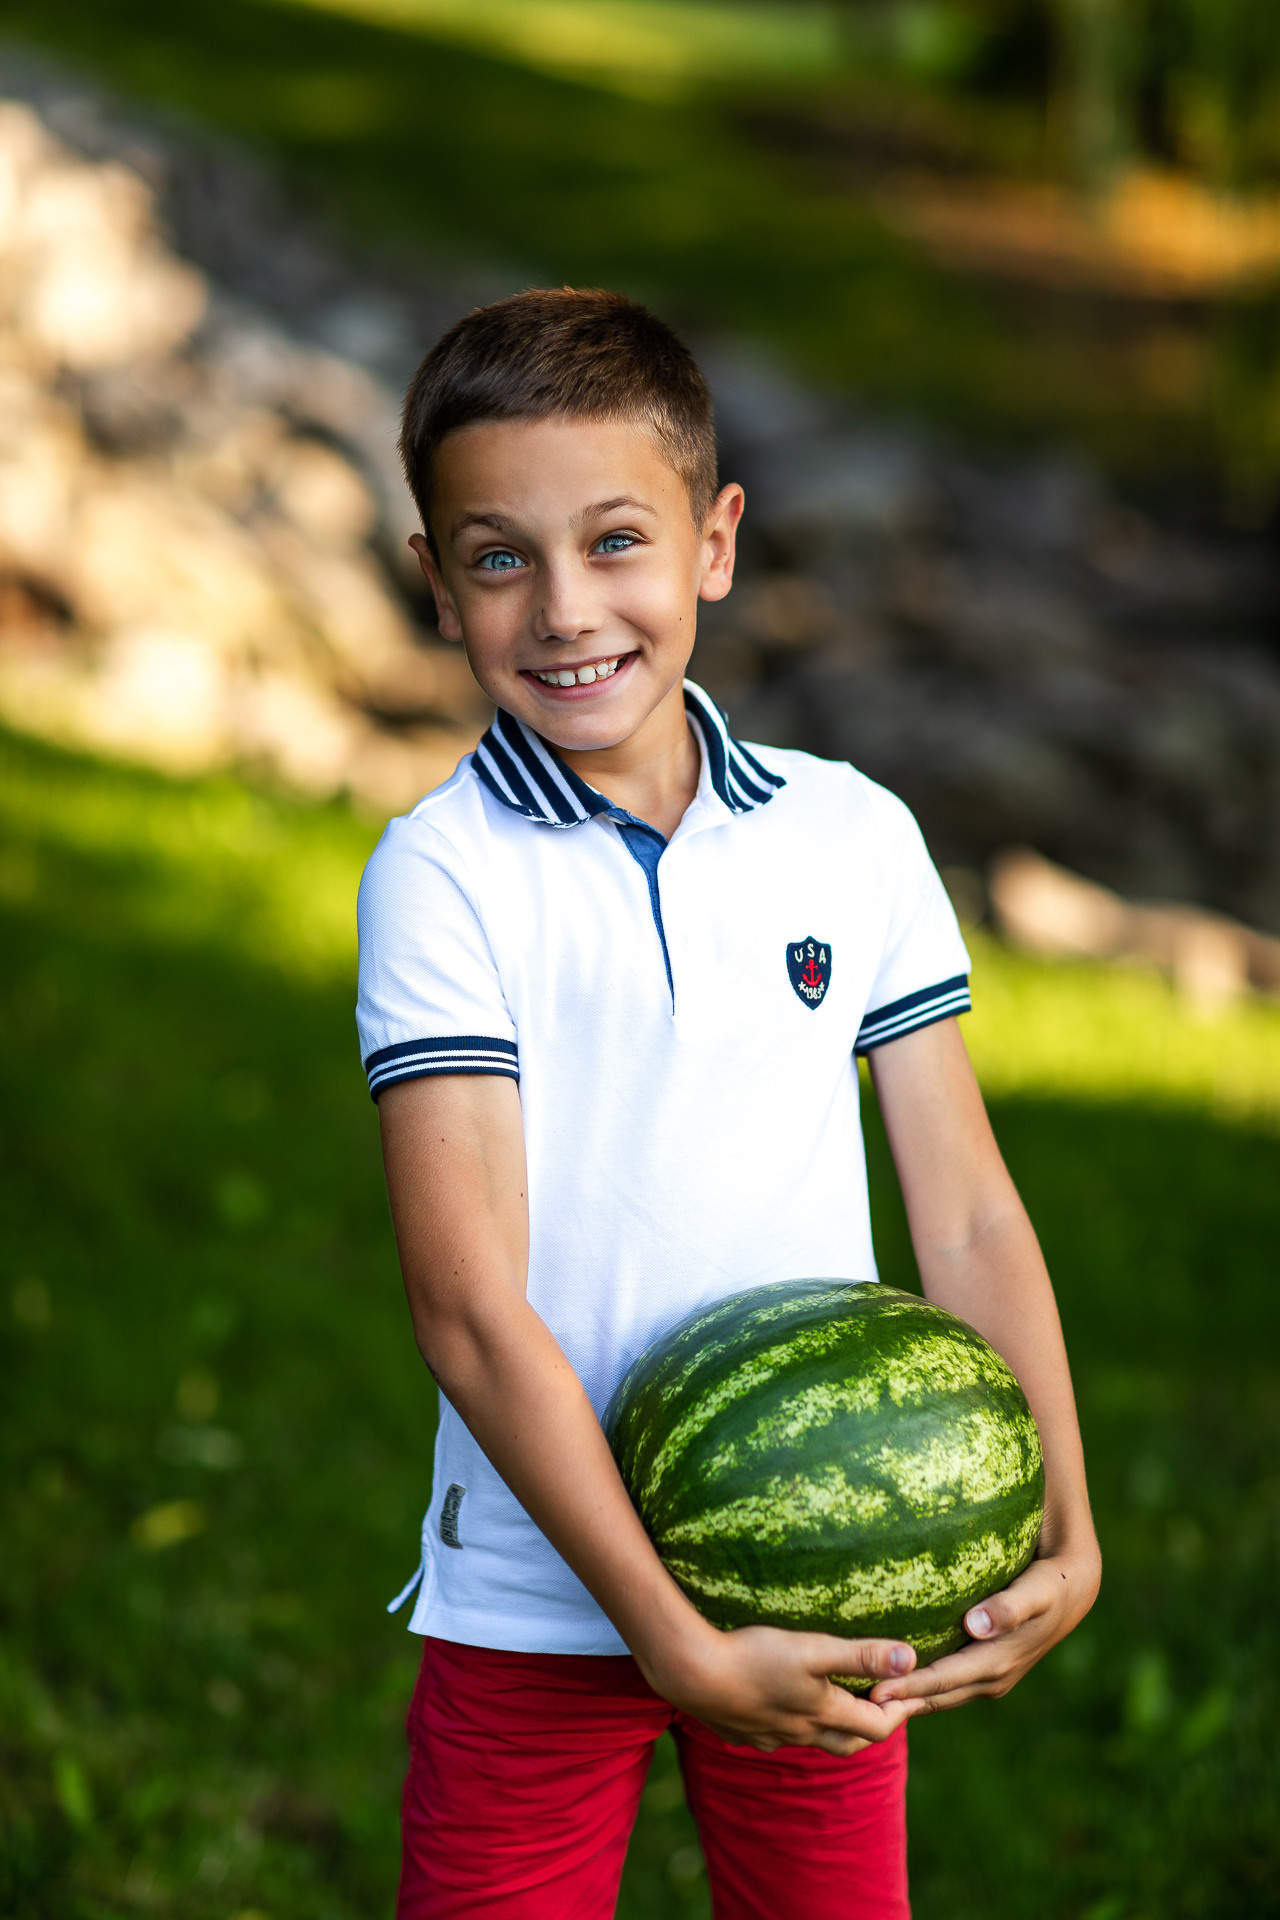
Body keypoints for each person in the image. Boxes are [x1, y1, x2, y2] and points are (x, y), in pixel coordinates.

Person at [355, 287, 1101, 1920]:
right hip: (543, 1594)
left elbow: (965, 1210)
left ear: (715, 541)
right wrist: (667, 1633)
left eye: (616, 542)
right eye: (499, 558)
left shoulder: (851, 836)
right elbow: (468, 1305)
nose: (565, 610)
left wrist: (1068, 1514)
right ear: (437, 581)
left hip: (832, 1563)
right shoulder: (443, 876)